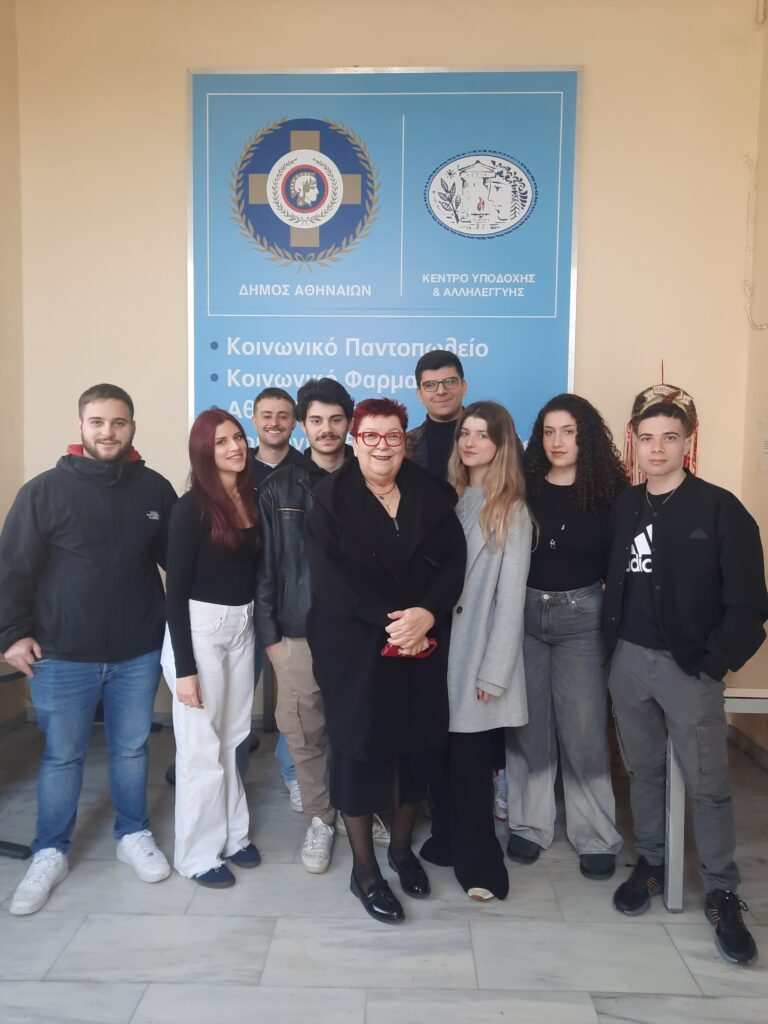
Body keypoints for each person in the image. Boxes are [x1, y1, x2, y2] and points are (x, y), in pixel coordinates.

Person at [604, 383, 768, 966]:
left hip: (688, 667)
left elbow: (750, 602)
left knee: (708, 785)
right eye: (647, 438)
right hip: (628, 661)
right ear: (634, 442)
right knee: (644, 771)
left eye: (669, 438)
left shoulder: (721, 508)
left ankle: (721, 890)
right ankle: (651, 862)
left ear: (687, 442)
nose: (657, 448)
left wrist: (712, 662)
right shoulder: (625, 506)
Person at [0, 384, 176, 915]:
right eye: (97, 422)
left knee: (131, 750)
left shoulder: (155, 489)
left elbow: (181, 561)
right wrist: (12, 634)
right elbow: (13, 569)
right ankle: (50, 850)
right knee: (62, 755)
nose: (108, 432)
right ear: (81, 426)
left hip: (137, 650)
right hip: (62, 653)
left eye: (118, 422)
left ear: (133, 427)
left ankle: (133, 834)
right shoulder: (44, 491)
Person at [305, 398, 466, 923]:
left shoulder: (432, 494)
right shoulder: (329, 499)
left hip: (421, 642)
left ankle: (400, 851)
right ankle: (365, 871)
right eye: (370, 436)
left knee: (413, 749)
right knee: (359, 752)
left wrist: (427, 614)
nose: (381, 446)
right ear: (355, 442)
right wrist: (395, 622)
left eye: (392, 436)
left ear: (405, 441)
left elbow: (454, 563)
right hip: (354, 645)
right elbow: (329, 579)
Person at [256, 378, 390, 875]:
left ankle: (364, 806)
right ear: (302, 425)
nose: (327, 429)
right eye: (316, 420)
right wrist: (270, 635)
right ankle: (321, 817)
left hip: (361, 628)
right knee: (304, 729)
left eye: (336, 420)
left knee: (363, 724)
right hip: (297, 630)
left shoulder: (374, 477)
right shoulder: (279, 486)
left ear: (350, 424)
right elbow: (265, 566)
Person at [505, 394, 627, 879]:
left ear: (586, 437)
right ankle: (529, 825)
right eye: (549, 431)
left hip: (583, 618)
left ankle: (595, 834)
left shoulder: (611, 494)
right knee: (527, 725)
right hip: (525, 615)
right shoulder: (524, 486)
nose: (557, 441)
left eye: (569, 431)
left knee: (583, 729)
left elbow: (620, 571)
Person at [421, 402, 531, 901]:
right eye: (464, 433)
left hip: (476, 651)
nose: (469, 442)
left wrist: (494, 673)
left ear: (501, 444)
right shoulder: (450, 497)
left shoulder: (511, 509)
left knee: (469, 763)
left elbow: (511, 600)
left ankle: (482, 865)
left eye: (482, 435)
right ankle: (445, 840)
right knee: (441, 754)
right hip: (436, 643)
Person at [161, 409, 262, 888]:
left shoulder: (250, 499)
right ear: (204, 451)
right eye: (221, 442)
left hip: (242, 627)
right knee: (201, 747)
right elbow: (175, 591)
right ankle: (198, 856)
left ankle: (234, 836)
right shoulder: (191, 508)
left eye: (238, 437)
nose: (235, 447)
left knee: (233, 737)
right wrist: (185, 669)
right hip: (199, 632)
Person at [243, 387, 303, 805]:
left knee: (298, 699)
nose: (275, 422)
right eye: (267, 415)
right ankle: (228, 781)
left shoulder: (307, 469)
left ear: (295, 422)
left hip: (291, 601)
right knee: (235, 696)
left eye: (283, 415)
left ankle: (293, 770)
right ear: (254, 418)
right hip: (239, 600)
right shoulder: (234, 465)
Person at [405, 350, 467, 478]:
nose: (441, 391)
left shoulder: (491, 436)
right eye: (430, 385)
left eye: (450, 382)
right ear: (420, 394)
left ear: (464, 386)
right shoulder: (405, 445)